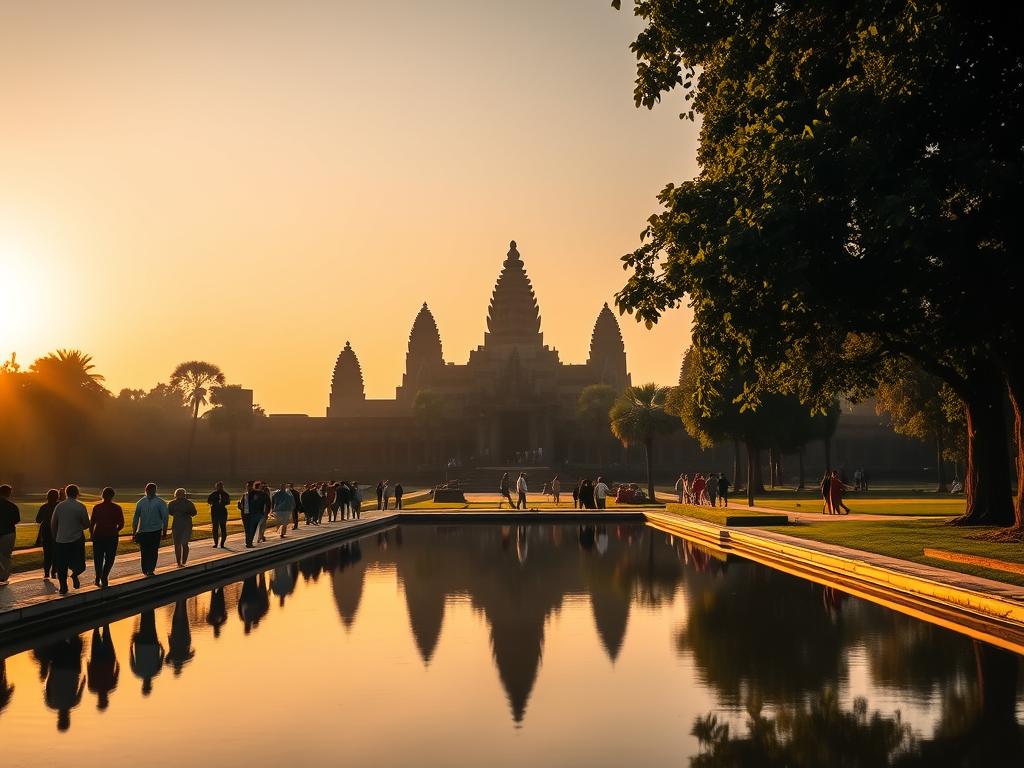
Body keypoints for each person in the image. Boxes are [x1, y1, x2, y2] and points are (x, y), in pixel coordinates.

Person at [52, 484, 89, 594]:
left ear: (66, 493)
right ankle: (75, 574)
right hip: (76, 539)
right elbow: (87, 524)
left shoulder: (59, 506)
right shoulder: (80, 506)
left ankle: (63, 587)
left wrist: (55, 536)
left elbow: (53, 523)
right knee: (80, 564)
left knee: (61, 565)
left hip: (61, 539)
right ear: (77, 493)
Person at [89, 487, 124, 587]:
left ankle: (97, 577)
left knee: (98, 558)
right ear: (112, 496)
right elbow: (121, 524)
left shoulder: (97, 507)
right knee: (110, 558)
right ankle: (104, 576)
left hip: (98, 535)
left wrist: (91, 534)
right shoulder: (117, 508)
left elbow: (92, 523)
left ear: (102, 495)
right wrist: (115, 530)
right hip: (111, 536)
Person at [132, 483, 169, 575]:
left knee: (144, 551)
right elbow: (165, 518)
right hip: (155, 530)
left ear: (146, 490)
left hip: (143, 530)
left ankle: (145, 569)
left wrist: (134, 531)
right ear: (155, 490)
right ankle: (150, 569)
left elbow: (136, 518)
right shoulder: (160, 502)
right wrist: (164, 531)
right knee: (153, 551)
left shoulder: (140, 502)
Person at [87, 625, 119, 711]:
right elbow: (90, 673)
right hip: (97, 660)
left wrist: (116, 663)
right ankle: (100, 623)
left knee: (106, 634)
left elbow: (116, 673)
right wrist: (88, 665)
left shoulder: (111, 686)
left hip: (107, 659)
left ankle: (104, 622)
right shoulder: (92, 687)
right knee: (97, 634)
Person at [168, 488, 197, 566]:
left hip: (179, 525)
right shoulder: (188, 503)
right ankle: (182, 562)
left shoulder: (172, 503)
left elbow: (170, 512)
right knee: (183, 544)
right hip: (184, 525)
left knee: (179, 544)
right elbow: (194, 513)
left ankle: (180, 562)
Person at [36, 489, 59, 579]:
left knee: (47, 553)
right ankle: (53, 571)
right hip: (57, 531)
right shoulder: (59, 506)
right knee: (56, 552)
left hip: (46, 531)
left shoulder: (44, 507)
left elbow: (38, 520)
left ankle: (46, 572)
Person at [0, 484, 20, 586]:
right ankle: (3, 576)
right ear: (8, 493)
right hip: (8, 533)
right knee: (6, 555)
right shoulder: (12, 506)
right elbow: (16, 520)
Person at [207, 482, 230, 548]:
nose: (220, 488)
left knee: (223, 528)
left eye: (221, 486)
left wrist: (222, 501)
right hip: (215, 511)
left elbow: (228, 502)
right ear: (216, 487)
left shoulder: (225, 494)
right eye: (218, 486)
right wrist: (215, 501)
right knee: (215, 528)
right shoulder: (213, 494)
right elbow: (209, 501)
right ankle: (216, 543)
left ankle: (222, 543)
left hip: (222, 511)